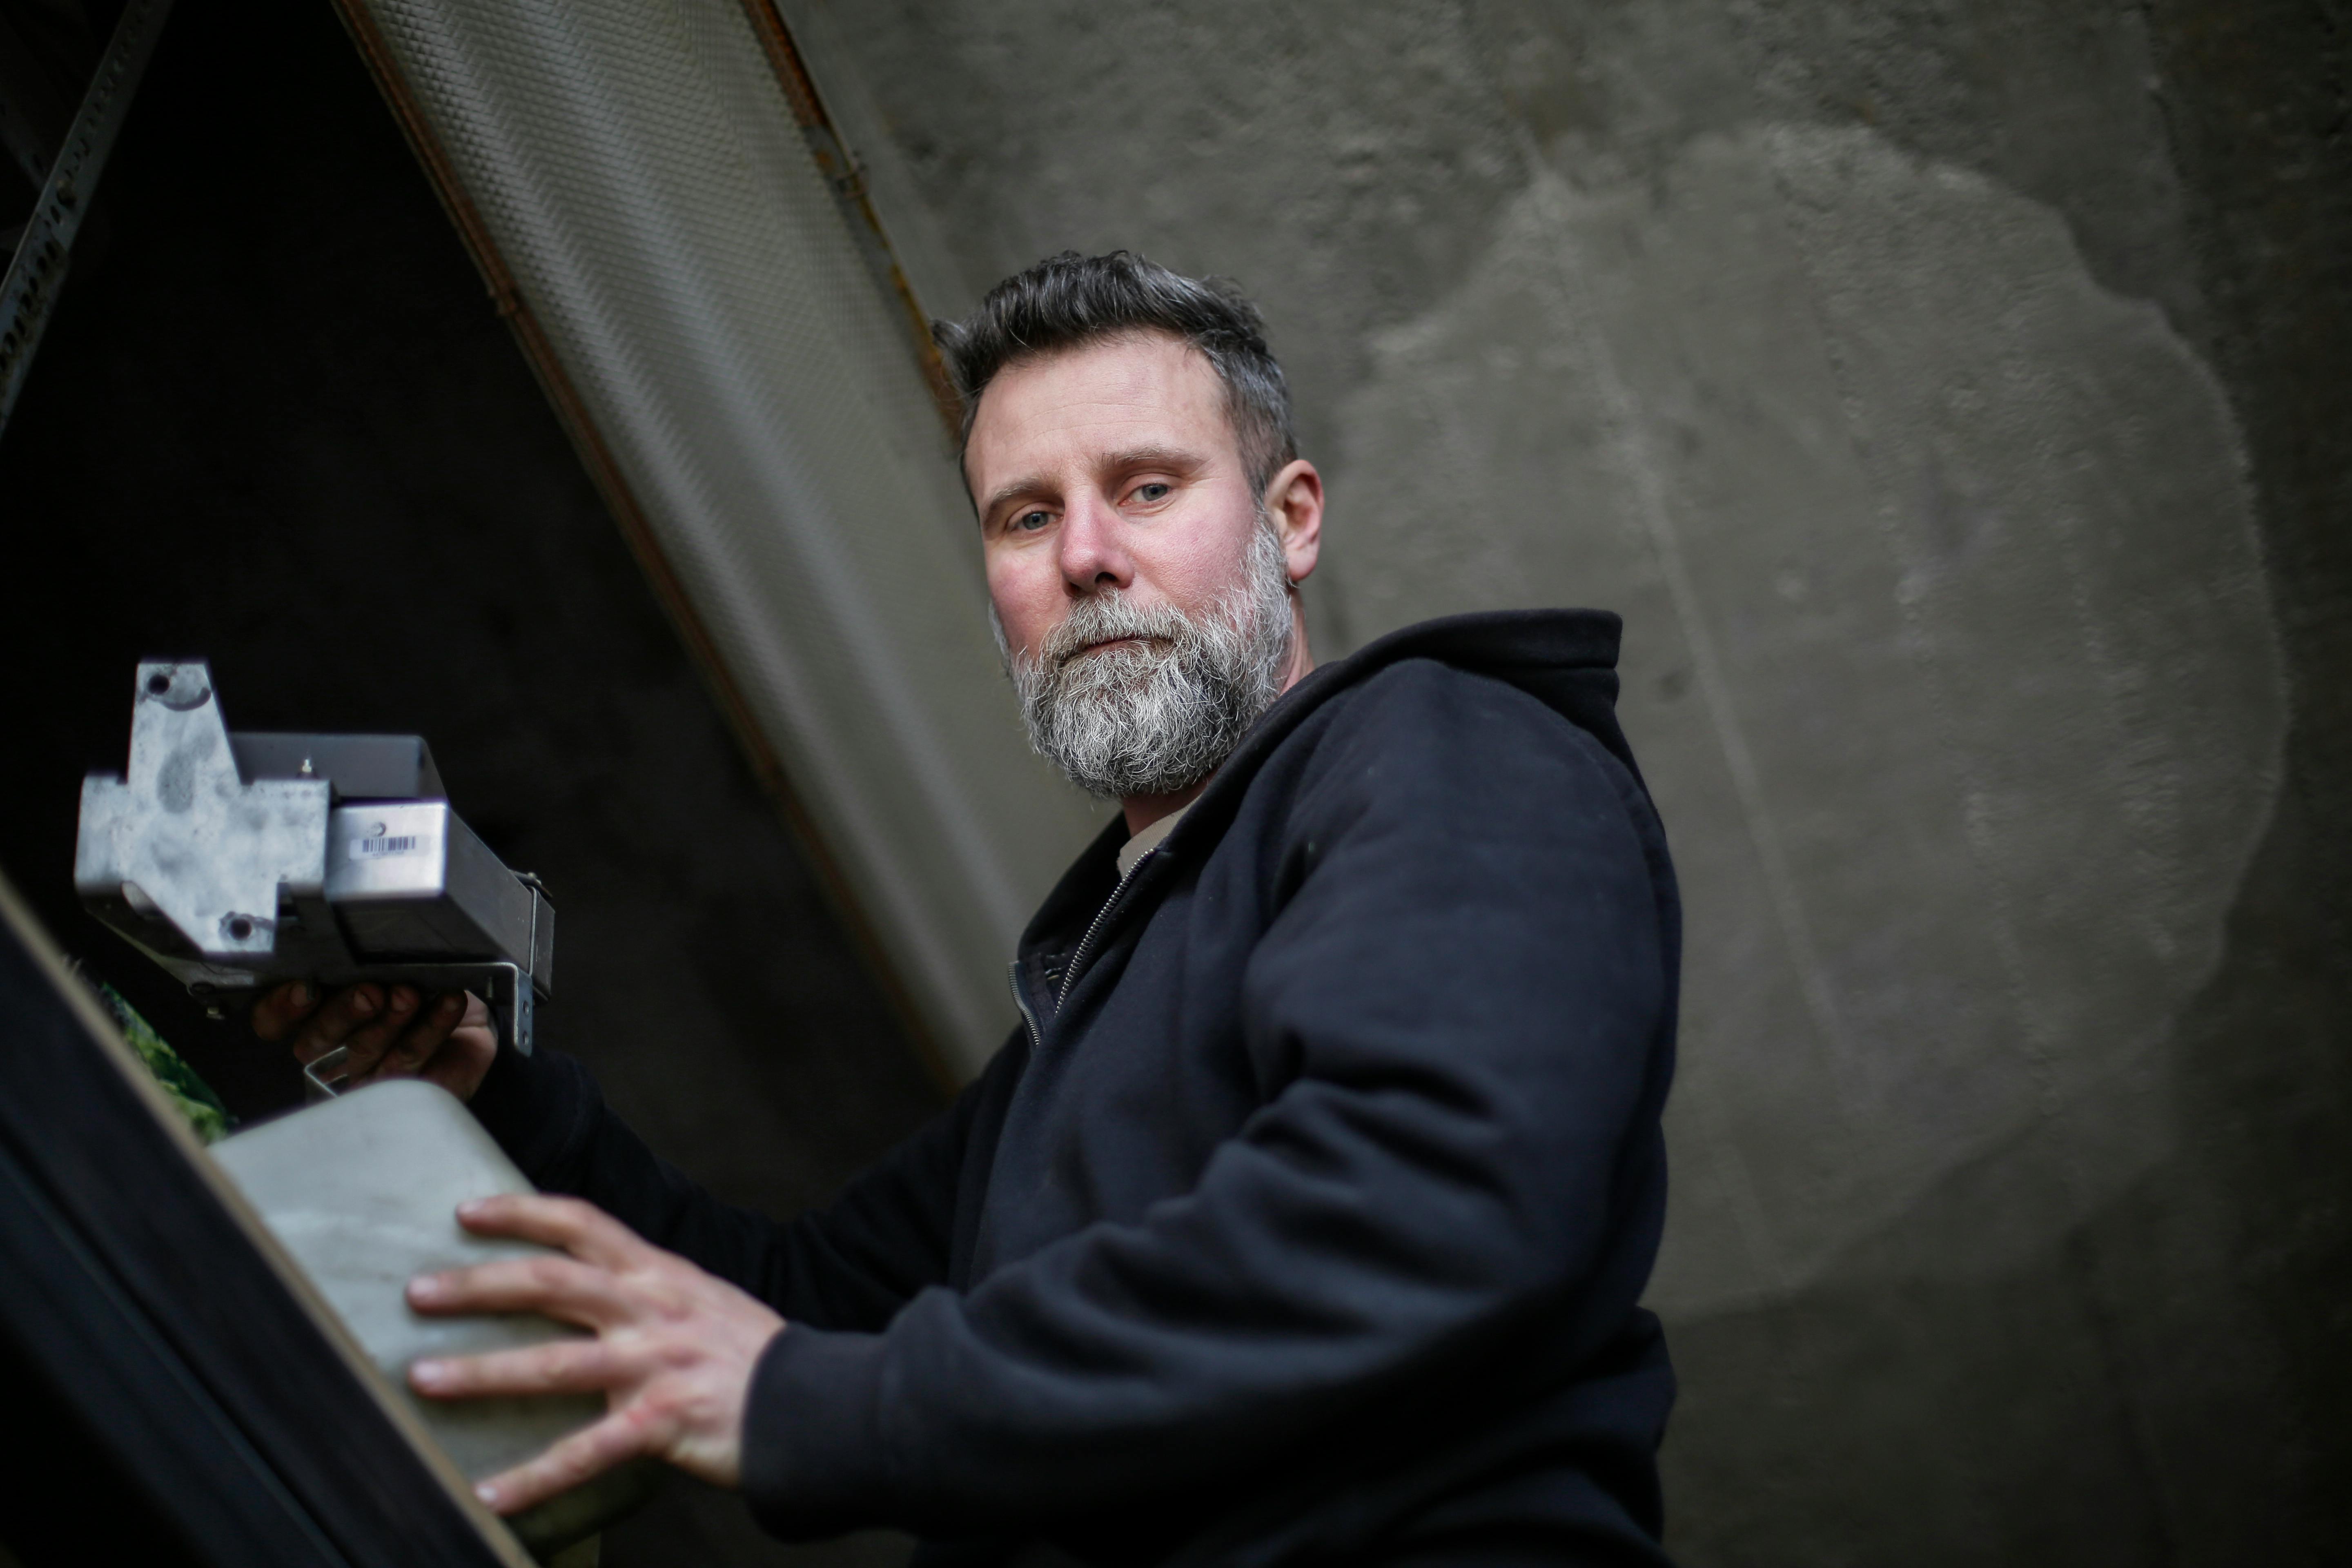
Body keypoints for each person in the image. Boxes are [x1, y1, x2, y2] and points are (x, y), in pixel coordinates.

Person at [254, 251, 1684, 1566]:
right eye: (1027, 515)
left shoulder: (1446, 753)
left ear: (1291, 522)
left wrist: (821, 1405)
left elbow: (1429, 1199)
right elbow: (800, 1306)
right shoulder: (1077, 1034)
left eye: (1148, 487)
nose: (1084, 556)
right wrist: (492, 1094)